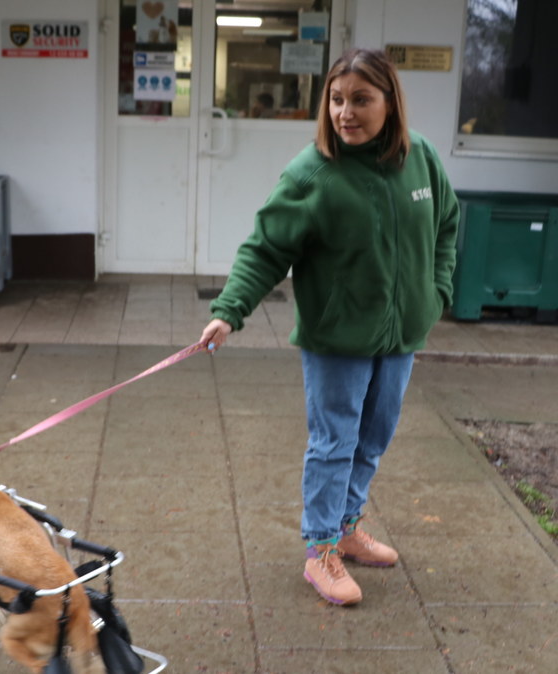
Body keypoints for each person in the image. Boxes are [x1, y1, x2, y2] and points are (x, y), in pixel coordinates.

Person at [198, 48, 459, 606]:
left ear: (390, 103)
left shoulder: (423, 160)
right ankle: (320, 552)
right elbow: (266, 248)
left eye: (361, 100)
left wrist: (436, 294)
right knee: (334, 441)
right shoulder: (312, 173)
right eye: (337, 100)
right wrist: (229, 309)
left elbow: (448, 226)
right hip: (336, 337)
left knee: (374, 436)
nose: (346, 112)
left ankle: (345, 527)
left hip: (401, 335)